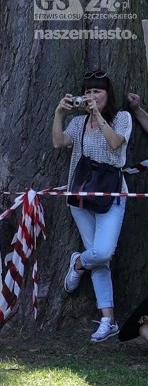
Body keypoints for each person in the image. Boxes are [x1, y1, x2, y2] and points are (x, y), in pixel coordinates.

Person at [53, 70, 131, 342]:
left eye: (97, 91)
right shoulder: (78, 122)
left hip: (111, 195)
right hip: (81, 196)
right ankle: (108, 319)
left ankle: (78, 264)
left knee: (103, 252)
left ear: (107, 94)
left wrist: (98, 115)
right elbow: (58, 142)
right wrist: (59, 114)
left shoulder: (122, 118)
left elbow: (114, 144)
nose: (91, 96)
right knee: (100, 260)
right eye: (87, 92)